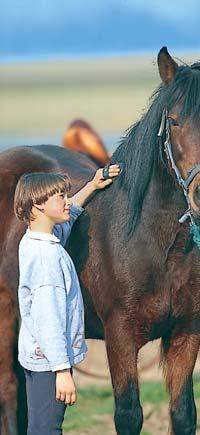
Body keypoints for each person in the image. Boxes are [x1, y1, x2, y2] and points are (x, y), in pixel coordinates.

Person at [14, 164, 120, 435]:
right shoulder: (47, 259)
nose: (67, 201)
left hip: (38, 357)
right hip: (50, 362)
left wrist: (94, 185)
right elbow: (49, 320)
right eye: (60, 196)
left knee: (38, 427)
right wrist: (62, 372)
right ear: (38, 206)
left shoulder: (35, 238)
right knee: (47, 430)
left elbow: (69, 216)